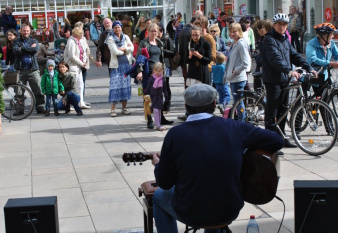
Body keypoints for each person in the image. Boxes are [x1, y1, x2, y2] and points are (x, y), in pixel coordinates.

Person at [152, 83, 284, 233]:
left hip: (191, 211)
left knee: (158, 196)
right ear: (214, 104)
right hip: (229, 209)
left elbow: (165, 182)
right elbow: (277, 141)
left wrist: (158, 164)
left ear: (186, 106)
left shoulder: (174, 135)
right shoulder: (235, 127)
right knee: (214, 190)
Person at [261, 13, 317, 154]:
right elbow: (275, 59)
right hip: (273, 80)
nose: (282, 26)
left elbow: (294, 55)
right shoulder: (269, 40)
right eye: (279, 24)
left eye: (285, 24)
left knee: (284, 110)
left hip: (284, 79)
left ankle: (281, 138)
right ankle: (270, 144)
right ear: (274, 25)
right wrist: (289, 70)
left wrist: (308, 67)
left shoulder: (285, 39)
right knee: (271, 112)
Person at [136, 23, 173, 128]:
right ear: (148, 31)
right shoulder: (144, 43)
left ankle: (161, 118)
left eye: (155, 31)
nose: (154, 33)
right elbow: (139, 58)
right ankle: (149, 119)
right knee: (148, 97)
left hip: (159, 74)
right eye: (152, 31)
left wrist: (163, 71)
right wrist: (140, 71)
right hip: (148, 73)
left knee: (159, 96)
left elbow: (161, 59)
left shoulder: (160, 43)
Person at [13, 24, 45, 113]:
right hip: (20, 70)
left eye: (27, 30)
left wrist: (22, 48)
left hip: (33, 70)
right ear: (20, 31)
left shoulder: (34, 40)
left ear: (30, 31)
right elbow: (16, 51)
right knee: (19, 92)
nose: (26, 32)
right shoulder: (16, 41)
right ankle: (20, 109)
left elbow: (34, 50)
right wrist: (28, 48)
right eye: (24, 30)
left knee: (38, 89)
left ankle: (40, 106)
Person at [305, 23, 338, 105]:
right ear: (324, 36)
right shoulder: (311, 44)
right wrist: (330, 63)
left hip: (322, 76)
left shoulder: (331, 44)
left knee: (324, 104)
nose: (332, 37)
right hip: (310, 75)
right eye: (331, 35)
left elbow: (337, 55)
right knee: (302, 103)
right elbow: (313, 59)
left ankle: (324, 116)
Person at [106, 20, 134, 117]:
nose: (117, 29)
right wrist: (126, 50)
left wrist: (124, 49)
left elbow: (132, 48)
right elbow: (115, 52)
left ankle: (124, 108)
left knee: (125, 87)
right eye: (115, 28)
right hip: (116, 67)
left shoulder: (126, 37)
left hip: (126, 65)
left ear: (121, 28)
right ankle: (113, 110)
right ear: (113, 29)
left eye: (119, 27)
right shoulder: (110, 39)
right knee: (115, 87)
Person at [224, 22, 250, 122]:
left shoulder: (241, 43)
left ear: (239, 31)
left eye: (235, 31)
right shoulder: (234, 43)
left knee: (239, 103)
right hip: (233, 78)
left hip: (238, 78)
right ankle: (242, 120)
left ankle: (241, 122)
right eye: (231, 32)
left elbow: (246, 62)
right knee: (237, 103)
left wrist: (235, 71)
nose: (232, 34)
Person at [64, 26, 90, 109]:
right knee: (72, 86)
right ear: (75, 34)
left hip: (78, 66)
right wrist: (81, 63)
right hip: (72, 66)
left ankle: (81, 102)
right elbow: (72, 56)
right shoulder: (71, 41)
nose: (82, 36)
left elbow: (83, 52)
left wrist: (84, 61)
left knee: (80, 85)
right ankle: (70, 104)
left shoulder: (79, 41)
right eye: (80, 34)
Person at [144, 62, 168, 131]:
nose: (158, 72)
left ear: (162, 71)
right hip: (153, 97)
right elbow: (148, 88)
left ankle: (159, 124)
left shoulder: (162, 79)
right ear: (154, 70)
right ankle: (158, 125)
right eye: (157, 71)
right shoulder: (151, 79)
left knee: (159, 111)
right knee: (156, 110)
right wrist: (145, 95)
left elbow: (165, 89)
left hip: (160, 97)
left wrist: (166, 96)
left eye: (160, 71)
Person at [158, 23, 175, 114]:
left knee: (165, 85)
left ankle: (167, 105)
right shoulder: (153, 40)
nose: (157, 34)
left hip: (166, 65)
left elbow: (173, 52)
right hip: (156, 66)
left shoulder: (167, 39)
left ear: (162, 31)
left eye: (159, 32)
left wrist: (162, 51)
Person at [178, 17, 196, 89]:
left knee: (186, 79)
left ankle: (187, 94)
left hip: (182, 57)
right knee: (191, 79)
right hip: (189, 57)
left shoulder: (182, 30)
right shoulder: (192, 31)